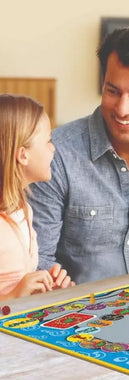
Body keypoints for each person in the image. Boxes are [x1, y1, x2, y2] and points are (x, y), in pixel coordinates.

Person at [28, 27, 129, 284]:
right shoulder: (56, 154)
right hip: (72, 310)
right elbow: (37, 262)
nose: (122, 109)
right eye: (112, 91)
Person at [0, 94, 73, 300]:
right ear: (23, 155)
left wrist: (45, 286)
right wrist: (14, 296)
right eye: (48, 140)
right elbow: (13, 293)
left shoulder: (23, 211)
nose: (53, 148)